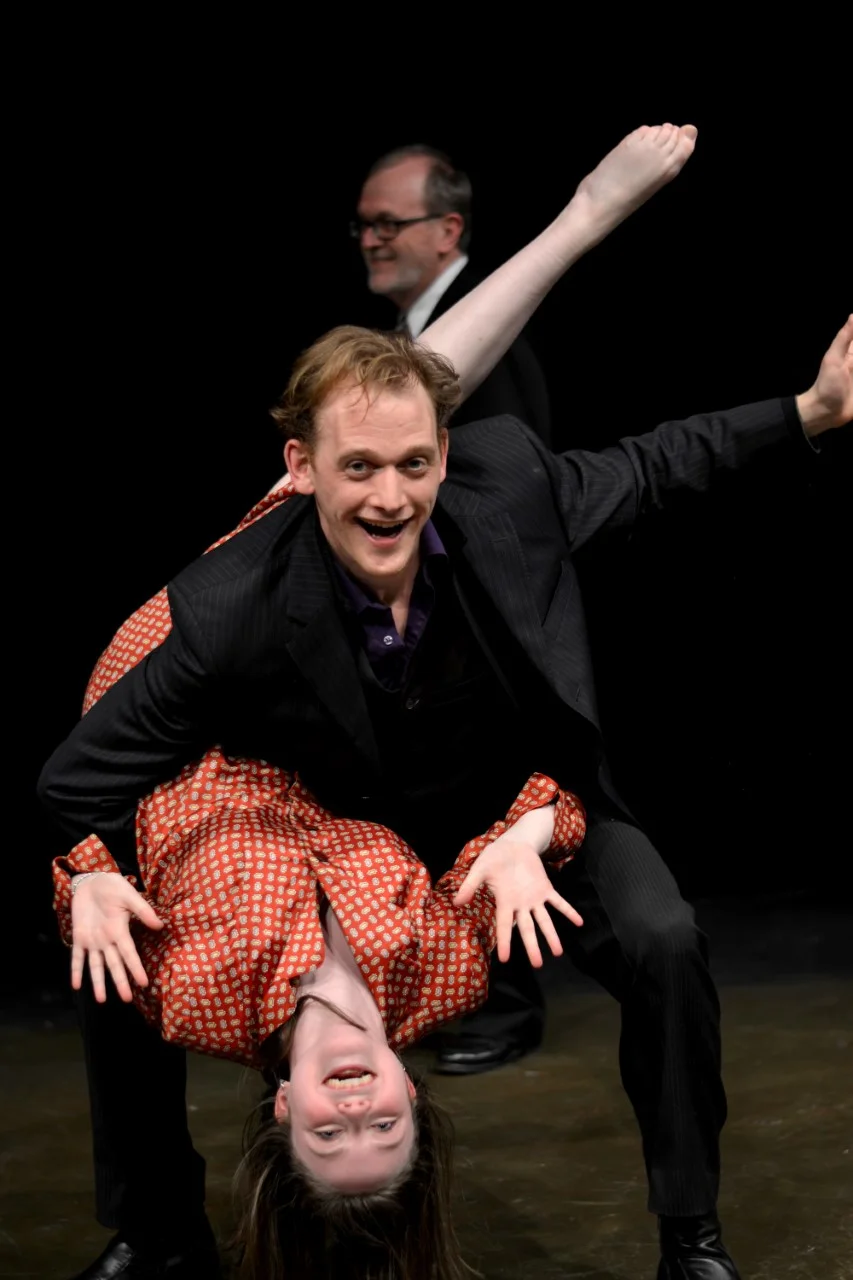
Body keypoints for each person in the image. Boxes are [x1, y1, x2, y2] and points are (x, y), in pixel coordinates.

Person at [40, 121, 851, 1280]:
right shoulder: (233, 605)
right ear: (299, 472)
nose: (389, 497)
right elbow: (82, 771)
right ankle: (156, 1231)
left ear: (442, 457)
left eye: (412, 465)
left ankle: (693, 1237)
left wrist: (813, 413)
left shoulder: (500, 488)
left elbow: (653, 465)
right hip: (366, 832)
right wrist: (92, 872)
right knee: (111, 949)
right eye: (356, 469)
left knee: (663, 935)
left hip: (523, 794)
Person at [54, 484, 586, 1280]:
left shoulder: (197, 994)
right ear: (411, 1095)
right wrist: (523, 840)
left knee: (329, 487)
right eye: (384, 1130)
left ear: (283, 1109)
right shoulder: (445, 971)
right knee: (385, 472)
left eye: (327, 1135)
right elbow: (564, 797)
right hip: (302, 717)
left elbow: (89, 889)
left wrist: (89, 877)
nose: (354, 1112)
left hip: (167, 724)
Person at [354, 142, 552, 447]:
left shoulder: (489, 312)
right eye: (365, 225)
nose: (369, 241)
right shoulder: (405, 322)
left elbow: (506, 458)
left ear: (448, 232)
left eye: (388, 224)